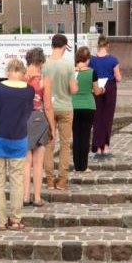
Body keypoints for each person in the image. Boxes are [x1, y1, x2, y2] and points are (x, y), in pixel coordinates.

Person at [0, 59, 34, 230]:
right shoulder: (29, 90)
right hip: (18, 139)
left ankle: (1, 221)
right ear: (22, 72)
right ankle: (16, 219)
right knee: (17, 180)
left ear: (7, 72)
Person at [42, 34, 78, 191]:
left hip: (48, 107)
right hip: (65, 107)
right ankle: (62, 181)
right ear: (65, 47)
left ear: (52, 46)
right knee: (65, 144)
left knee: (48, 144)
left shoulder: (44, 65)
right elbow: (74, 89)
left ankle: (50, 181)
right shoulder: (69, 64)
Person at [23, 47, 52, 207]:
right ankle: (38, 198)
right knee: (38, 163)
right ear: (41, 62)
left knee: (26, 162)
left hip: (23, 120)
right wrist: (52, 126)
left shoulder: (21, 79)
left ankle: (25, 196)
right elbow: (47, 106)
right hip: (39, 119)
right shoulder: (44, 80)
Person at [89, 35, 122, 158]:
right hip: (109, 88)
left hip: (96, 87)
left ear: (98, 45)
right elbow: (118, 78)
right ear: (108, 45)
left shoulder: (92, 60)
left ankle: (98, 148)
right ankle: (106, 146)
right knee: (107, 118)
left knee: (97, 118)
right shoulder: (113, 60)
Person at [72, 46, 102, 172]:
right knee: (85, 136)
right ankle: (83, 166)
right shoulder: (92, 72)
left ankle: (76, 166)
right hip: (88, 106)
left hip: (73, 106)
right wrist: (103, 89)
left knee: (76, 136)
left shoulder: (71, 72)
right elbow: (96, 91)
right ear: (88, 59)